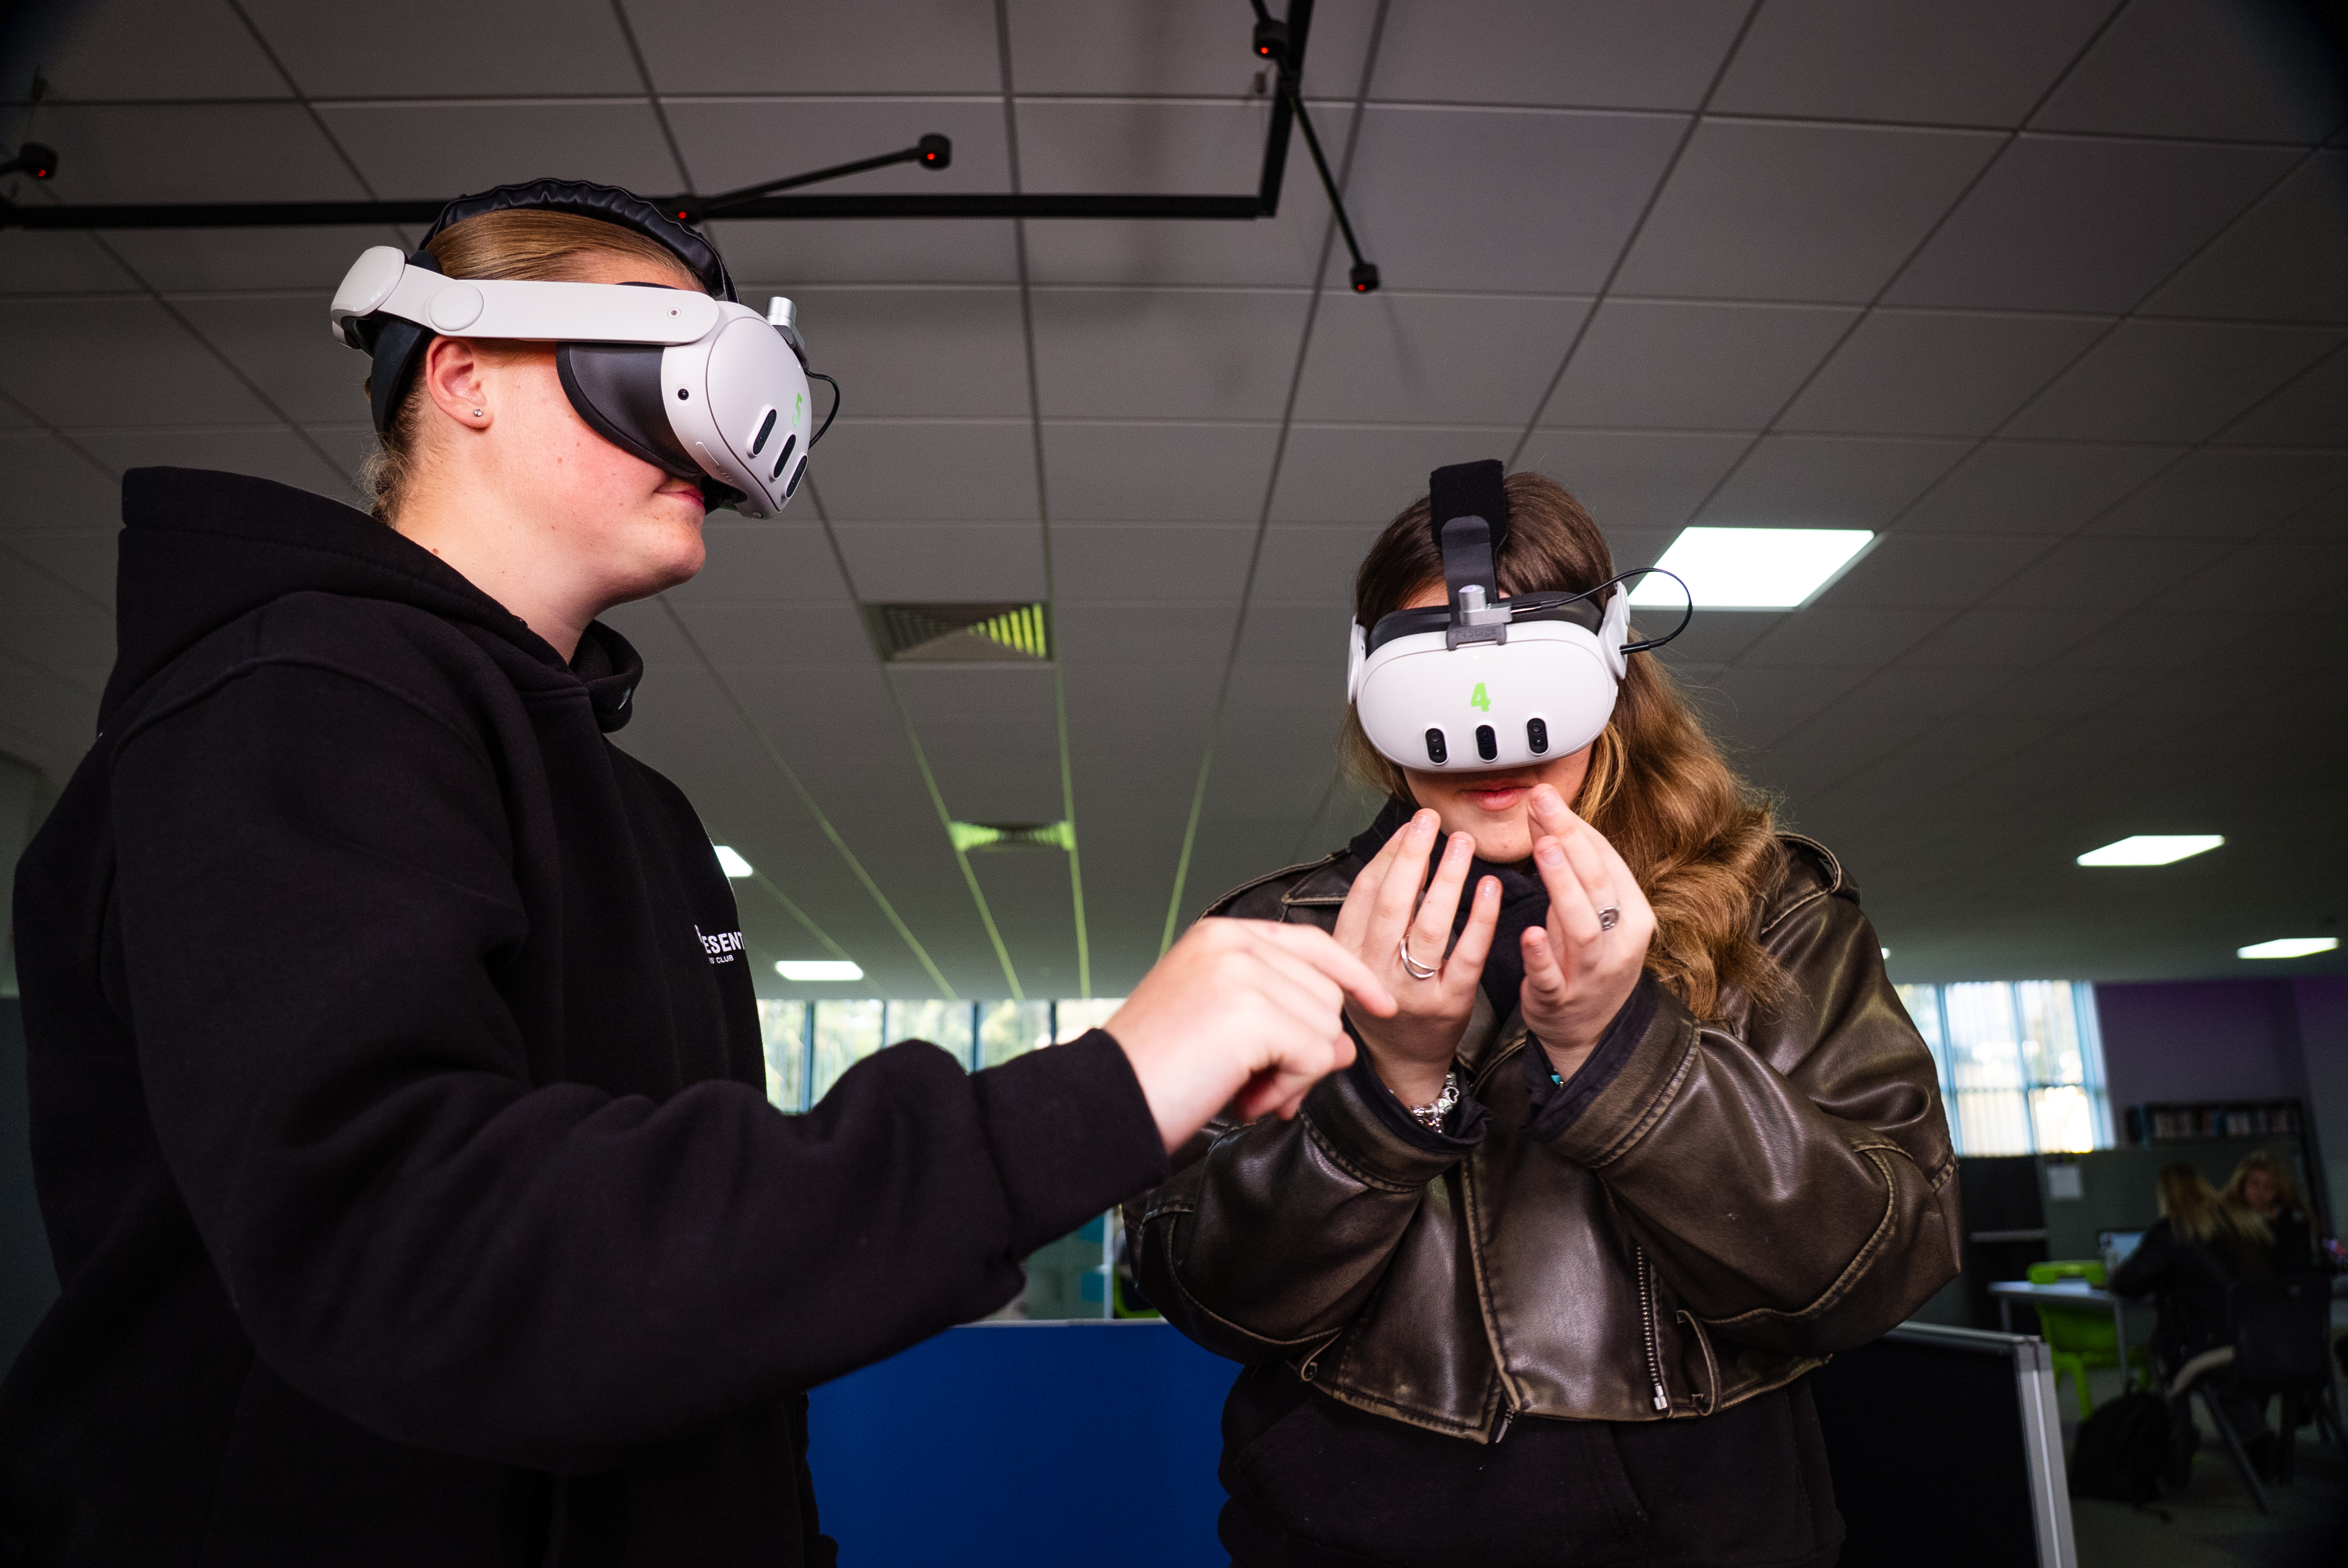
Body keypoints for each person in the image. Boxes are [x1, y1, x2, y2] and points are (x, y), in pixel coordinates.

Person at [0, 183, 1393, 1567]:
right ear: (463, 371)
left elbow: (660, 1296)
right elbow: (420, 1260)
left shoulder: (637, 815)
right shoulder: (285, 705)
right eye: (649, 350)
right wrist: (1097, 1092)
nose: (708, 431)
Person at [1129, 471, 1960, 1568]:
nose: (1485, 729)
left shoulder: (1776, 911)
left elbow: (1880, 1267)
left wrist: (1623, 1055)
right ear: (1370, 679)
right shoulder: (1274, 936)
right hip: (1350, 1531)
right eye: (1434, 672)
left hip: (1705, 1531)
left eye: (1527, 668)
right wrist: (1391, 1089)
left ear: (1609, 665)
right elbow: (1209, 1294)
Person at [2110, 1164, 2275, 1476]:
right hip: (2266, 1343)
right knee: (2223, 1373)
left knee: (2165, 1353)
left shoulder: (2173, 1231)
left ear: (2167, 1197)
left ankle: (2177, 1444)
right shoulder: (2246, 1227)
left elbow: (2127, 1283)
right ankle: (2260, 1445)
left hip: (2212, 1351)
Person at [2223, 1151, 2318, 1276]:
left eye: (2268, 1186)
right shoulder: (2227, 1222)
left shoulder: (2290, 1221)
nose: (2260, 1192)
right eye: (2254, 1184)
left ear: (2278, 1190)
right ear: (2241, 1185)